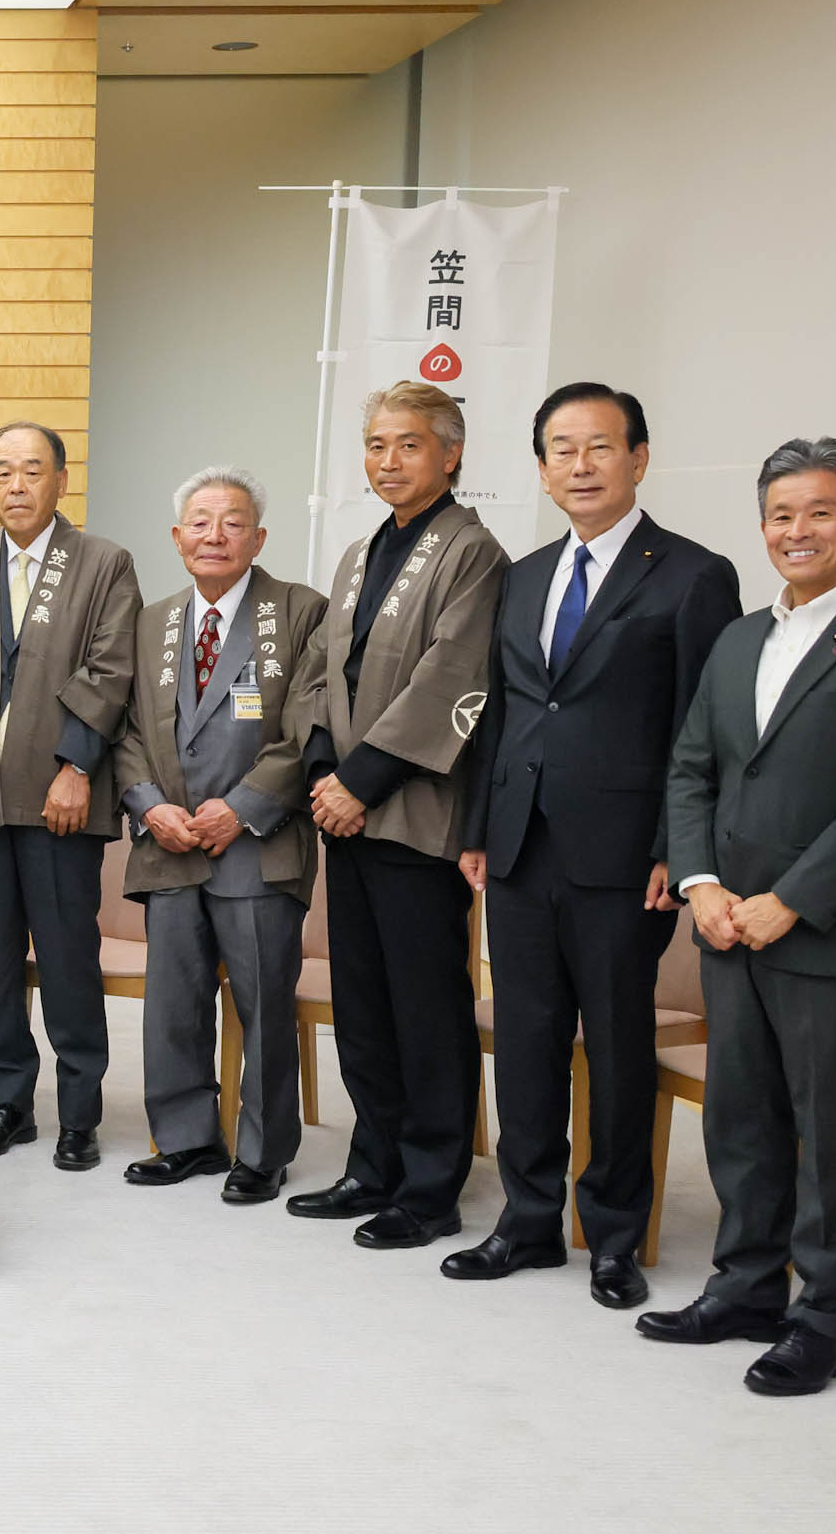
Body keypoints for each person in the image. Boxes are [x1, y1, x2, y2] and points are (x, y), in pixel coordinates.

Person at [644, 439, 836, 1397]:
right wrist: (700, 885)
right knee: (742, 1120)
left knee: (826, 1132)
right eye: (780, 514)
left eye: (820, 511)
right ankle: (743, 1287)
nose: (797, 531)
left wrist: (793, 901)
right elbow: (692, 766)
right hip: (728, 924)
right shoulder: (740, 638)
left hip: (832, 937)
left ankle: (822, 1317)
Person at [451, 385, 739, 1306]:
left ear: (639, 458)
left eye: (599, 448)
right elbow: (500, 711)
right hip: (521, 847)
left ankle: (613, 1235)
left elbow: (708, 730)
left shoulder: (694, 575)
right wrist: (477, 831)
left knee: (615, 1046)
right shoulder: (525, 574)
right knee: (528, 1040)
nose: (580, 466)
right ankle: (528, 1222)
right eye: (561, 451)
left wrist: (678, 848)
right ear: (540, 469)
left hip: (629, 859)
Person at [288, 381, 506, 1248]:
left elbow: (452, 679)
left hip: (413, 814)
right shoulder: (356, 554)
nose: (388, 461)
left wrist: (361, 780)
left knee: (426, 1003)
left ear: (451, 454)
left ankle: (429, 1185)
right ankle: (370, 1162)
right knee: (365, 1000)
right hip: (344, 812)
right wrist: (319, 771)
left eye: (409, 445)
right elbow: (318, 671)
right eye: (377, 445)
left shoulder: (473, 554)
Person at [0, 420, 141, 1172]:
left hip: (60, 798)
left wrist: (77, 765)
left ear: (60, 481)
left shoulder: (104, 564)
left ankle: (80, 1112)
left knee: (70, 958)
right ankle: (8, 1099)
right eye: (4, 473)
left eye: (33, 472)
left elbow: (112, 670)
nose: (18, 486)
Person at [114, 468, 327, 1203]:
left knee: (264, 1005)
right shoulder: (149, 622)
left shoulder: (300, 613)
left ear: (259, 537)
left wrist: (241, 806)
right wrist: (148, 806)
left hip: (257, 847)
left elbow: (310, 732)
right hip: (167, 843)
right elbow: (127, 728)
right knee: (172, 1002)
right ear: (177, 538)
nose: (214, 535)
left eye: (232, 522)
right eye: (199, 522)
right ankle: (186, 1140)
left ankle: (264, 1153)